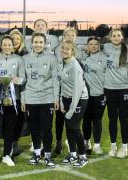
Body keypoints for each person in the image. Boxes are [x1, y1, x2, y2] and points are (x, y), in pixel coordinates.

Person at [0, 35, 25, 171]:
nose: (7, 46)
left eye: (10, 44)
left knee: (10, 129)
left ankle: (6, 155)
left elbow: (23, 78)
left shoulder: (19, 59)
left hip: (13, 99)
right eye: (5, 44)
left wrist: (17, 81)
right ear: (1, 45)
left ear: (13, 46)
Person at [21, 32, 59, 167]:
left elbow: (55, 79)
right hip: (31, 98)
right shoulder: (24, 59)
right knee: (34, 128)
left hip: (47, 98)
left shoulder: (52, 58)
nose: (38, 45)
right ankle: (37, 153)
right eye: (35, 42)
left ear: (45, 44)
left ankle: (48, 155)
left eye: (40, 42)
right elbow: (23, 81)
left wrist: (56, 99)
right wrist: (23, 99)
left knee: (47, 128)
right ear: (31, 43)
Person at [57, 40, 88, 168]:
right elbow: (61, 84)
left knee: (74, 127)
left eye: (68, 49)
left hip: (79, 99)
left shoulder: (75, 66)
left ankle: (83, 155)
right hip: (66, 98)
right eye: (63, 48)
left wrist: (71, 109)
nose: (64, 50)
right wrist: (61, 101)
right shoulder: (62, 62)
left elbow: (77, 90)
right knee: (69, 127)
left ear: (73, 51)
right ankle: (73, 154)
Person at [54, 28, 80, 154]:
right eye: (68, 35)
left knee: (73, 120)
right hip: (61, 89)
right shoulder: (58, 50)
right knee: (59, 118)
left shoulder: (80, 52)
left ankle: (75, 144)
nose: (70, 37)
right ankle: (58, 142)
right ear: (63, 36)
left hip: (75, 89)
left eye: (72, 35)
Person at [103, 28, 128, 158]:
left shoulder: (127, 50)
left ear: (122, 37)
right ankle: (113, 146)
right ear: (110, 37)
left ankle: (125, 147)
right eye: (114, 35)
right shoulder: (105, 48)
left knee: (124, 119)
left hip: (124, 89)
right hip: (109, 89)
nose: (117, 37)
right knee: (112, 119)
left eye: (119, 35)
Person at [80, 36, 107, 155]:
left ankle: (97, 145)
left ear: (99, 46)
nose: (93, 46)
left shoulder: (105, 58)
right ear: (87, 46)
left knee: (97, 120)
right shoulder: (83, 58)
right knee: (86, 120)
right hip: (85, 95)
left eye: (96, 44)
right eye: (91, 44)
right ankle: (86, 142)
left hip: (99, 94)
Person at [9, 29, 28, 156]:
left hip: (20, 91)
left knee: (19, 119)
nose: (15, 41)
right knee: (8, 118)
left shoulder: (25, 54)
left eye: (18, 39)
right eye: (13, 39)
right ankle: (9, 144)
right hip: (7, 92)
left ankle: (14, 143)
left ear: (21, 41)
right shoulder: (4, 54)